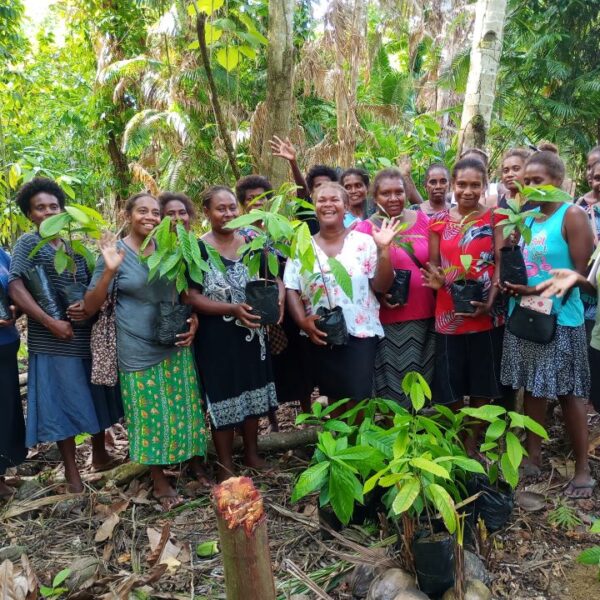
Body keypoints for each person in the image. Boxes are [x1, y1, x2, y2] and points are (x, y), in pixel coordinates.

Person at [85, 192, 207, 508]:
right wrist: (110, 270)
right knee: (147, 414)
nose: (151, 217)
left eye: (156, 212)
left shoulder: (170, 248)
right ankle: (158, 477)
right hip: (136, 345)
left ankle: (193, 462)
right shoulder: (115, 254)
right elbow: (90, 306)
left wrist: (192, 319)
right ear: (128, 215)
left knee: (185, 408)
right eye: (143, 211)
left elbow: (182, 292)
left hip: (174, 341)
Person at [8, 178, 121, 493]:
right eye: (40, 208)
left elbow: (92, 286)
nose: (47, 212)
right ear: (30, 215)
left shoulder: (76, 247)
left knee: (94, 396)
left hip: (85, 337)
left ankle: (99, 455)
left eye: (53, 207)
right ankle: (72, 476)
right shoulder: (29, 244)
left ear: (63, 210)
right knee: (62, 404)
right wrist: (49, 321)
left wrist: (88, 308)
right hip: (53, 341)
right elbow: (16, 286)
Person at [499, 151, 595, 498]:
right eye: (526, 182)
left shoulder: (572, 215)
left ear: (558, 182)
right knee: (533, 388)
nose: (530, 187)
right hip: (526, 315)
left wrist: (535, 288)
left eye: (538, 181)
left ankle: (582, 468)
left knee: (569, 393)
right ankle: (533, 456)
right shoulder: (528, 220)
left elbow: (581, 276)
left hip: (562, 318)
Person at [186, 186, 279, 482]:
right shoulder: (197, 249)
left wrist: (270, 308)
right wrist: (232, 308)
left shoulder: (253, 241)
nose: (227, 214)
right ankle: (225, 464)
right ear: (206, 212)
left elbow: (270, 278)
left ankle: (251, 454)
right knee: (223, 397)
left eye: (231, 208)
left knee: (252, 393)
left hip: (253, 334)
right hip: (216, 337)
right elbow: (192, 297)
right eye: (220, 209)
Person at [284, 182, 397, 407]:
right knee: (333, 395)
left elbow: (382, 286)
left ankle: (359, 440)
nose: (328, 204)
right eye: (321, 200)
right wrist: (303, 322)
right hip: (321, 332)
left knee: (358, 395)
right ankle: (340, 442)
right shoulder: (302, 246)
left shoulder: (364, 242)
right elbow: (291, 286)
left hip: (360, 332)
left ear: (345, 206)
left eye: (334, 199)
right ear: (314, 207)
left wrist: (384, 249)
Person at [421, 158, 503, 453]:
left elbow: (500, 263)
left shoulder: (496, 219)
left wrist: (490, 301)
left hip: (485, 311)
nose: (468, 191)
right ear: (453, 186)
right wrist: (438, 279)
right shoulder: (439, 221)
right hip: (448, 311)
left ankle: (471, 438)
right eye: (462, 184)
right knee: (450, 378)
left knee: (482, 377)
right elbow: (434, 265)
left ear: (484, 185)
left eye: (475, 185)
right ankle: (456, 431)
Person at [354, 169, 435, 405]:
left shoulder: (422, 220)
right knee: (397, 389)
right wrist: (378, 295)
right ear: (375, 197)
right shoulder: (364, 230)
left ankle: (422, 438)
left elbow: (436, 259)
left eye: (399, 192)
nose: (393, 198)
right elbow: (360, 277)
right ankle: (397, 436)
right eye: (386, 193)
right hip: (390, 320)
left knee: (425, 384)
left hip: (427, 315)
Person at [0, 248, 26, 498]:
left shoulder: (2, 255)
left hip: (6, 345)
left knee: (5, 411)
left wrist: (14, 308)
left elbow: (14, 290)